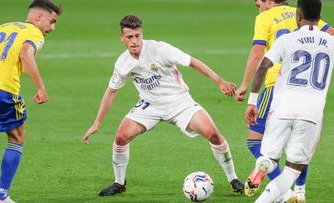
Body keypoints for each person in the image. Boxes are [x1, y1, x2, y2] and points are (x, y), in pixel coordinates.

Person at [83, 15, 244, 197]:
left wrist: (219, 81)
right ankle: (119, 183)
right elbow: (111, 91)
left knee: (213, 134)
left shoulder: (160, 49)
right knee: (121, 137)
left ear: (142, 33)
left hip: (179, 101)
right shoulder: (122, 63)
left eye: (137, 35)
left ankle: (233, 179)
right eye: (130, 37)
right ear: (122, 38)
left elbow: (192, 62)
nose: (134, 41)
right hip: (149, 105)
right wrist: (97, 123)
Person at [234, 0, 334, 201]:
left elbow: (262, 65)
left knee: (267, 154)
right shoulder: (330, 41)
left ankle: (265, 164)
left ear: (298, 15)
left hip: (281, 104)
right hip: (311, 111)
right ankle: (298, 192)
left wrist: (252, 100)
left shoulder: (287, 39)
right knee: (292, 169)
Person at [0, 0, 62, 202]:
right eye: (52, 21)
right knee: (17, 138)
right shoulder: (34, 33)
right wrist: (41, 87)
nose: (52, 28)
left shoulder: (3, 27)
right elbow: (25, 54)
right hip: (3, 89)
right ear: (39, 17)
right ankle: (1, 196)